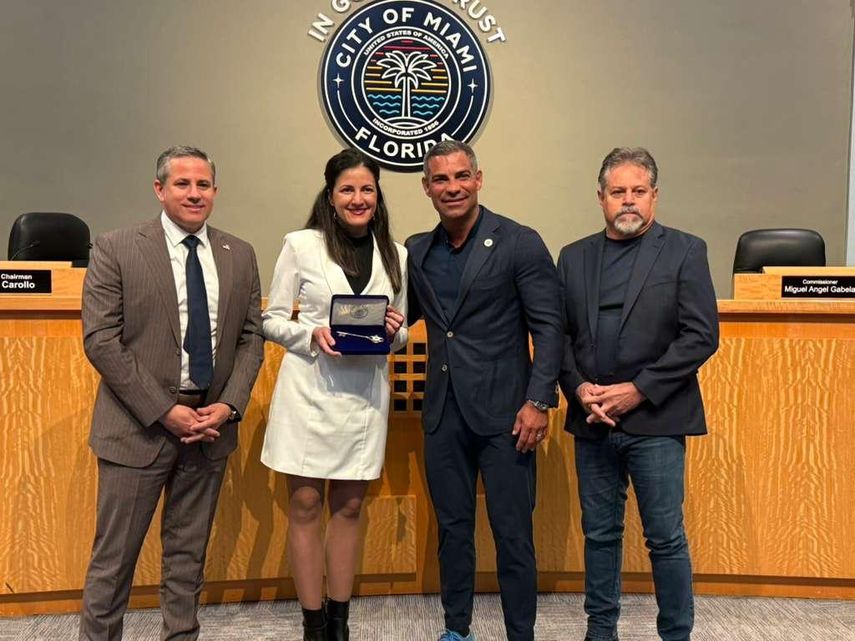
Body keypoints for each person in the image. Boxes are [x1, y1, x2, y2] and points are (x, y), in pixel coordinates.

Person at [78, 145, 265, 640]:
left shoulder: (239, 254)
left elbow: (251, 339)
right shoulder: (117, 247)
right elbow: (100, 339)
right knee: (113, 562)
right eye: (182, 184)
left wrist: (227, 406)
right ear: (159, 190)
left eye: (203, 184)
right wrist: (164, 411)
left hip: (208, 429)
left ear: (215, 192)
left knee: (188, 560)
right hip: (137, 429)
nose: (194, 193)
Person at [558, 147, 719, 641]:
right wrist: (580, 388)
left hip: (658, 419)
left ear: (654, 196)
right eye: (617, 192)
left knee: (665, 538)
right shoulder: (574, 255)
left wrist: (638, 390)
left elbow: (700, 334)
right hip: (593, 418)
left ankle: (676, 634)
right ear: (600, 197)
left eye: (638, 191)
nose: (628, 201)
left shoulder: (685, 250)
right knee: (600, 536)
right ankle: (600, 631)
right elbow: (558, 336)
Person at [406, 140, 563, 641]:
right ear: (426, 187)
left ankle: (521, 634)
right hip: (443, 416)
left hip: (508, 416)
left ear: (478, 179)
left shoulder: (519, 241)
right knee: (453, 532)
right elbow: (395, 317)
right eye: (440, 179)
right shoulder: (417, 250)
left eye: (461, 176)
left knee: (513, 534)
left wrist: (538, 401)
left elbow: (550, 329)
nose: (452, 187)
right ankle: (457, 630)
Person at [261, 148, 408, 641]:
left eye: (367, 189)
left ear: (377, 195)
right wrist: (311, 335)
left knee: (348, 508)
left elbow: (402, 331)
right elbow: (271, 318)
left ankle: (340, 621)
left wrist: (395, 331)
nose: (358, 198)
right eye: (347, 189)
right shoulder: (301, 245)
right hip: (309, 393)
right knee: (305, 506)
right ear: (331, 195)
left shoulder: (397, 253)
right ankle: (313, 624)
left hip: (364, 398)